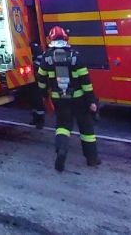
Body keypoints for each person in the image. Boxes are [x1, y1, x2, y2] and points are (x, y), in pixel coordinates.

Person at [32, 26, 100, 172]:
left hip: (59, 100)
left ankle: (61, 151)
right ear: (65, 38)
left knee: (63, 126)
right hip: (79, 99)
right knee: (86, 128)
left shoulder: (46, 58)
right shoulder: (75, 56)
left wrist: (44, 95)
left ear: (50, 39)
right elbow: (86, 82)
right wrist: (92, 101)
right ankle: (92, 159)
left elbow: (41, 80)